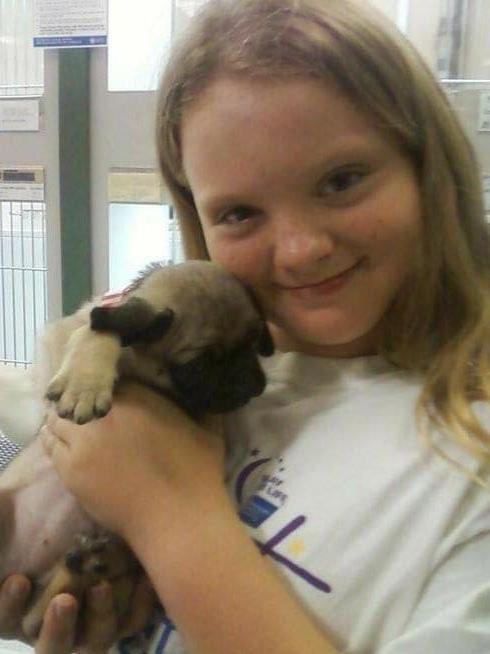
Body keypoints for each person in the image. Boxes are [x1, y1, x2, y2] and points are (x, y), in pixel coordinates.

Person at [2, 0, 490, 651]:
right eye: (238, 213)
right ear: (195, 216)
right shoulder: (209, 357)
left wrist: (168, 514)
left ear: (429, 166)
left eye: (341, 180)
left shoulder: (469, 459)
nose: (300, 250)